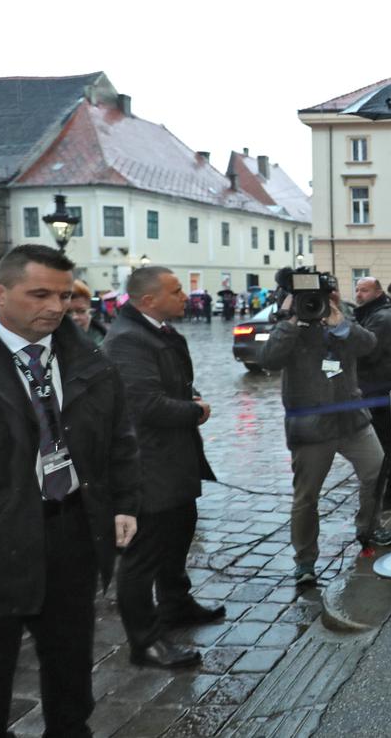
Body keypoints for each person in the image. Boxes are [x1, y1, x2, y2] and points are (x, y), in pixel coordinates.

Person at [0, 244, 140, 736]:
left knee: (70, 670)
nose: (56, 306)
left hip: (70, 533)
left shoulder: (89, 356)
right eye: (39, 294)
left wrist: (124, 503)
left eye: (65, 295)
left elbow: (119, 438)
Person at [102, 266, 221, 669]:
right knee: (143, 555)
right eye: (175, 291)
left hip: (175, 460)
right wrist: (196, 410)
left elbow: (168, 386)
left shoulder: (156, 331)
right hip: (148, 464)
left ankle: (176, 604)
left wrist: (191, 398)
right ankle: (145, 642)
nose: (186, 296)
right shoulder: (127, 341)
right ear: (149, 300)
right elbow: (144, 405)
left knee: (178, 535)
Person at [259, 280, 386, 586]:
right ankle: (305, 561)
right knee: (306, 496)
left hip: (351, 419)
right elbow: (268, 360)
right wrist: (290, 320)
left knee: (376, 470)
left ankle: (368, 527)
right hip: (311, 426)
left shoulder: (338, 315)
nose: (313, 303)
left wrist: (340, 322)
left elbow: (368, 345)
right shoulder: (287, 323)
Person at [353, 275, 391, 541]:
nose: (359, 294)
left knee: (385, 450)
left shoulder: (381, 317)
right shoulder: (369, 314)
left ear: (378, 292)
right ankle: (387, 495)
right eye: (357, 289)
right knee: (386, 449)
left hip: (379, 393)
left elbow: (364, 351)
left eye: (365, 290)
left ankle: (388, 497)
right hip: (376, 390)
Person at [68, 278, 107, 346]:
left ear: (89, 312)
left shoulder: (105, 344)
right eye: (67, 312)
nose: (75, 317)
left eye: (81, 311)